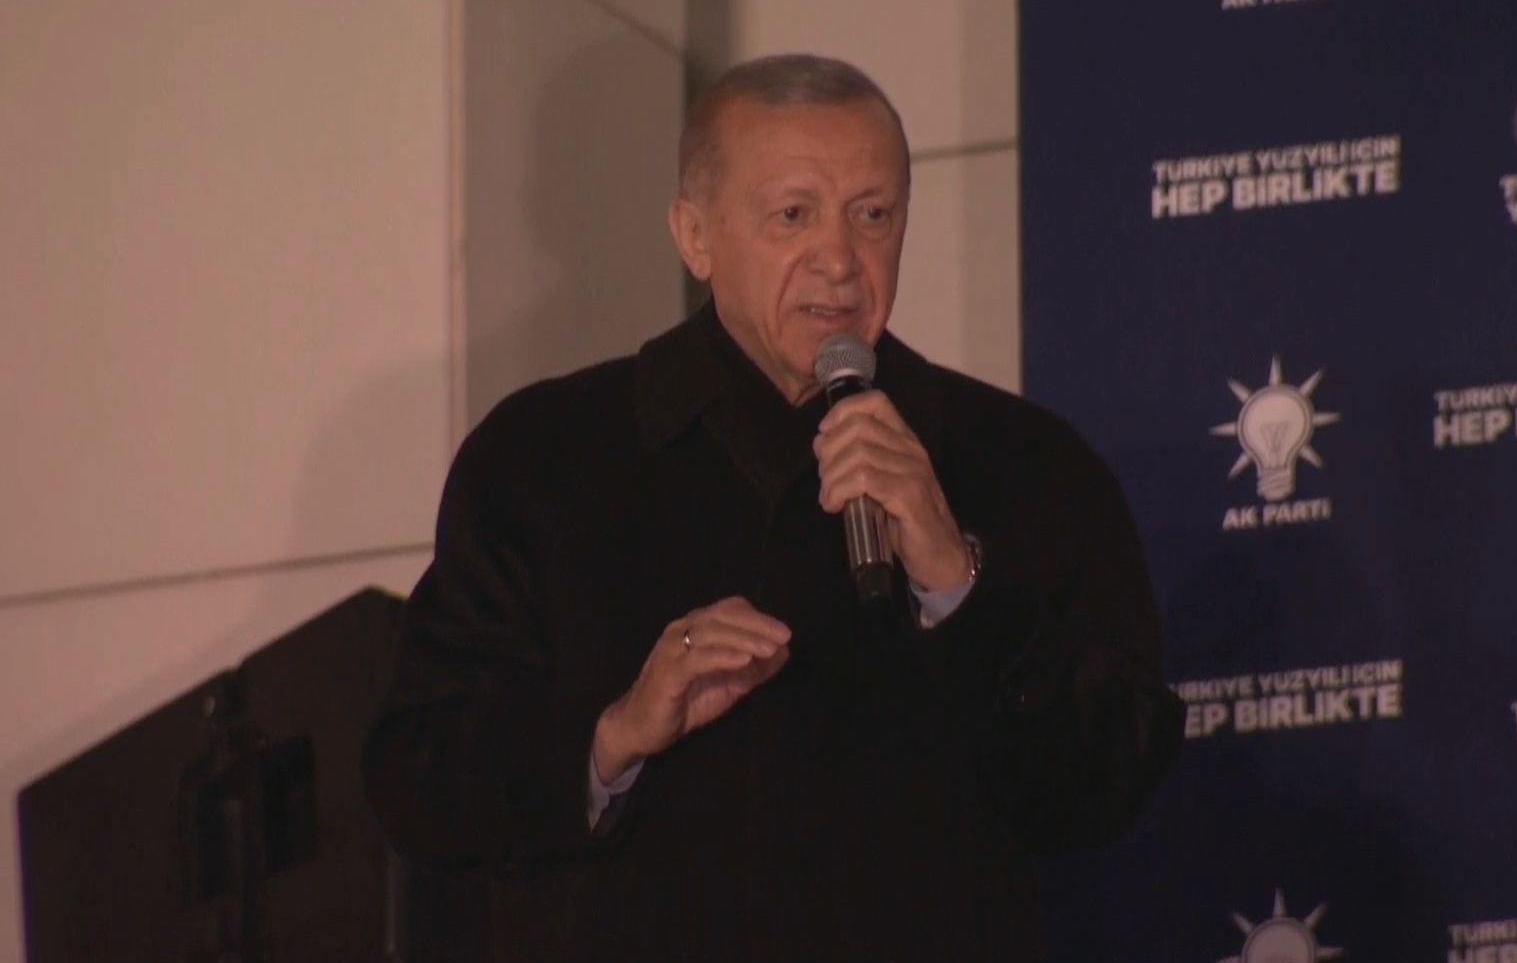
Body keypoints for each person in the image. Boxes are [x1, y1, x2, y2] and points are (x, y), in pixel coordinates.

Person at [362, 54, 1184, 962]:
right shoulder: (546, 458)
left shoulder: (1022, 462)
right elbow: (416, 776)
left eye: (873, 215)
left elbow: (1114, 779)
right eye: (793, 215)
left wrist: (960, 586)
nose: (839, 258)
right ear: (695, 236)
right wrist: (614, 736)